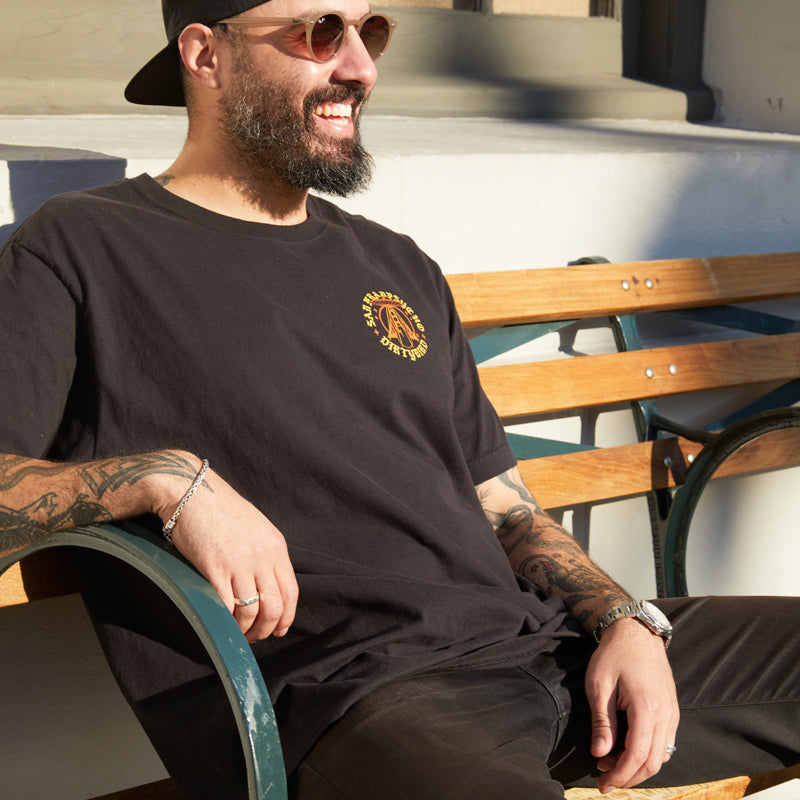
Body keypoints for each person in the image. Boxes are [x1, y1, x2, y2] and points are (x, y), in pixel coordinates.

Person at [0, 1, 798, 798]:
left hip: (548, 649)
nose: (361, 67)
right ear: (207, 56)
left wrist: (623, 619)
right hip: (364, 699)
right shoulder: (84, 247)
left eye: (370, 32)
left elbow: (510, 513)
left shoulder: (395, 263)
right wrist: (165, 478)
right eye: (321, 33)